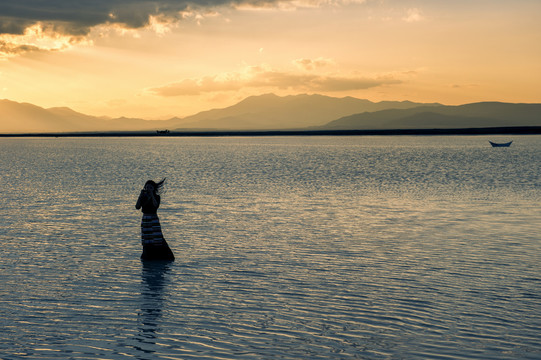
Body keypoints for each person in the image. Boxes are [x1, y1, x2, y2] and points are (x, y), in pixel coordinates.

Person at [136, 179, 175, 261]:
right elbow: (137, 207)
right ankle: (148, 255)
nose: (148, 189)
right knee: (147, 238)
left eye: (150, 187)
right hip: (145, 219)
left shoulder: (157, 197)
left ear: (153, 188)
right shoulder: (143, 197)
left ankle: (160, 255)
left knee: (156, 237)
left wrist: (152, 196)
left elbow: (155, 205)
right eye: (147, 187)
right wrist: (140, 196)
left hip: (153, 219)